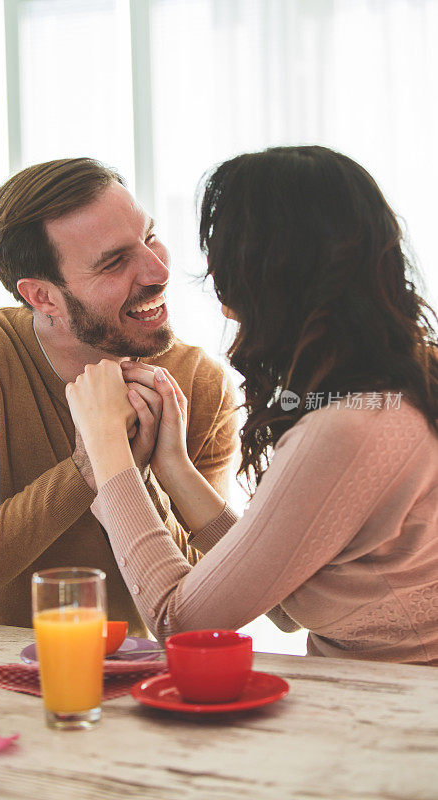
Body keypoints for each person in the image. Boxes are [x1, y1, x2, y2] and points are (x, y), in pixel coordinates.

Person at [65, 146, 438, 664]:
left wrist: (106, 451)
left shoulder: (350, 429)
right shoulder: (402, 382)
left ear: (273, 270)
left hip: (392, 717)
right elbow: (285, 598)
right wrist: (172, 467)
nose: (217, 288)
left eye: (226, 254)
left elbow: (179, 624)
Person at [0, 158, 238, 633]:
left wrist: (137, 475)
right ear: (43, 297)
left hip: (151, 679)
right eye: (114, 262)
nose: (158, 270)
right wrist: (87, 469)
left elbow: (213, 596)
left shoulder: (198, 380)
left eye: (149, 237)